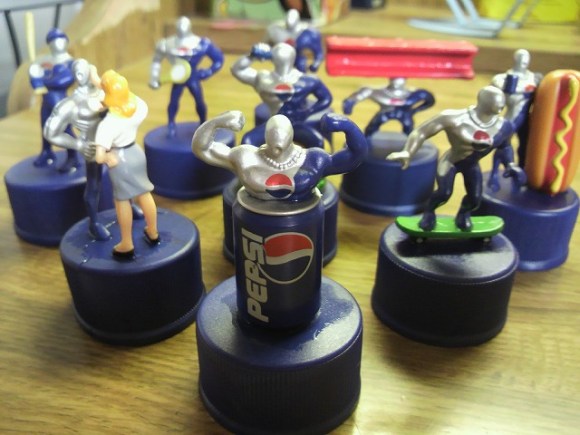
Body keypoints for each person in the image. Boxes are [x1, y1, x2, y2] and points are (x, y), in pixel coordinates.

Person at [387, 86, 526, 231]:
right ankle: (429, 212)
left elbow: (505, 147)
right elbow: (421, 132)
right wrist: (408, 152)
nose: (501, 105)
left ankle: (463, 214)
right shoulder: (455, 118)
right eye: (497, 102)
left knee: (475, 199)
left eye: (502, 102)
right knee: (443, 193)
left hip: (472, 165)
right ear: (484, 101)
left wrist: (510, 164)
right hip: (451, 161)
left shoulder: (504, 126)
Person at [191, 111, 367, 202]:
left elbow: (355, 156)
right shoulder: (245, 156)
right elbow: (203, 149)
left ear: (291, 137)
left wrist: (348, 127)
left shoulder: (314, 159)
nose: (278, 149)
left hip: (302, 220)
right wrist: (216, 123)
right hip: (253, 220)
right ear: (266, 137)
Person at [44, 59, 111, 241]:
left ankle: (128, 206)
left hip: (113, 142)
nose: (82, 75)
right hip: (92, 147)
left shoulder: (103, 91)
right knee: (94, 185)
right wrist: (78, 145)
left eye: (85, 71)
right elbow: (50, 132)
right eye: (78, 73)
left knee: (123, 177)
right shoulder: (70, 104)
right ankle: (94, 223)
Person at [94, 70, 159, 260]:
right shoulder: (139, 106)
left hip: (120, 159)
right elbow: (123, 96)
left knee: (122, 200)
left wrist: (108, 158)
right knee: (144, 193)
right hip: (136, 153)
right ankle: (153, 231)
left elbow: (99, 157)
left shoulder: (108, 124)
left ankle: (127, 243)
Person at [231, 42, 332, 148]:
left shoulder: (307, 81)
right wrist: (251, 57)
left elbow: (326, 98)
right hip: (274, 122)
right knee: (248, 141)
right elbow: (237, 70)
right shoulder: (263, 78)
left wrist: (307, 112)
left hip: (295, 123)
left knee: (318, 142)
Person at [149, 16, 224, 138]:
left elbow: (218, 59)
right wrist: (154, 77)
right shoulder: (166, 44)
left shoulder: (202, 44)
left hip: (193, 77)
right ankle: (171, 123)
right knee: (173, 101)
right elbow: (156, 61)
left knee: (199, 101)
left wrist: (208, 71)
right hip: (177, 77)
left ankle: (203, 122)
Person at [488, 49, 542, 189]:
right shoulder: (503, 79)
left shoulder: (534, 78)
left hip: (527, 118)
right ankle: (494, 174)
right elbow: (494, 96)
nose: (523, 62)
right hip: (511, 118)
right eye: (521, 59)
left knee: (525, 146)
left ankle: (521, 171)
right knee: (503, 146)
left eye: (525, 59)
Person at [29, 28, 79, 172]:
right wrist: (35, 77)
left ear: (65, 42)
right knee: (45, 127)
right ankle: (47, 152)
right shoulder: (45, 61)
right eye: (52, 41)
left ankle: (73, 156)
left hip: (60, 102)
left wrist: (44, 80)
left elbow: (64, 80)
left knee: (65, 128)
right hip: (46, 102)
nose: (56, 43)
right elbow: (35, 77)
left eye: (60, 39)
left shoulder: (70, 62)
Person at [342, 78, 435, 137]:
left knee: (409, 129)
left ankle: (411, 145)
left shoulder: (413, 95)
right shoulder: (380, 93)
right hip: (385, 112)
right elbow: (363, 93)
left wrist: (416, 110)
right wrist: (350, 102)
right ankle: (366, 141)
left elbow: (429, 100)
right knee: (372, 127)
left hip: (404, 113)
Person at [264, 8, 323, 73]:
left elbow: (318, 52)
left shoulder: (308, 33)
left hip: (298, 58)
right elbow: (265, 45)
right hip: (281, 58)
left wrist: (316, 63)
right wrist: (268, 54)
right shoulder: (275, 30)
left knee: (301, 65)